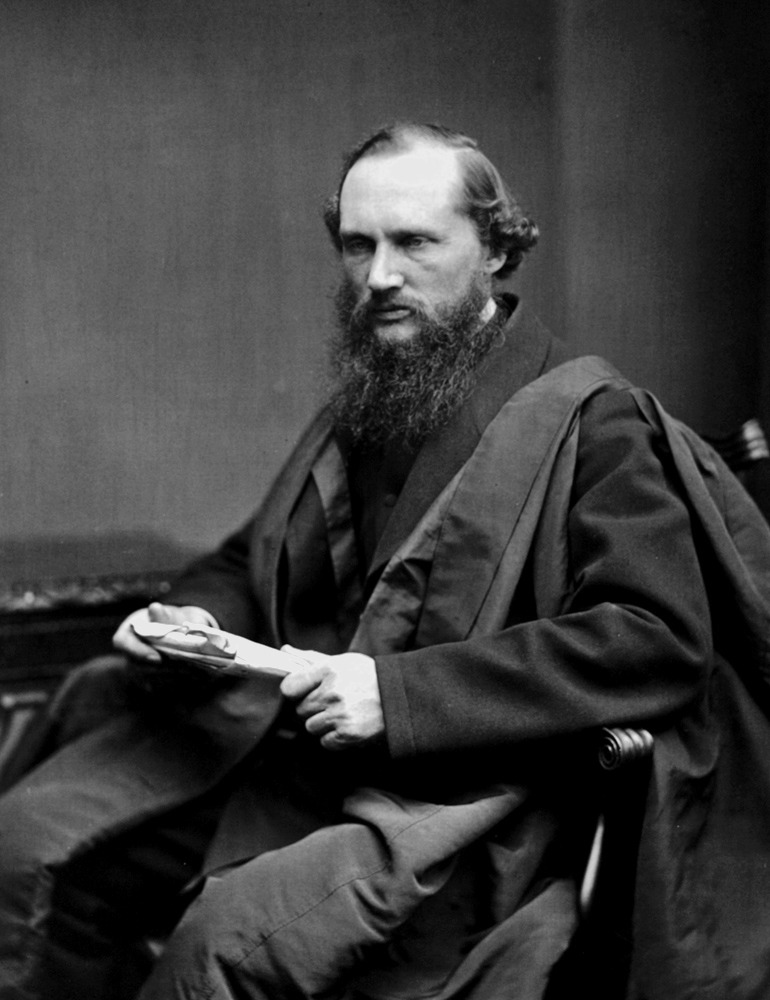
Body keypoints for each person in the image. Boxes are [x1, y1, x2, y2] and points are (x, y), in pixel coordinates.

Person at [1, 122, 770, 1000]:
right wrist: (193, 619)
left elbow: (658, 638)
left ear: (495, 249)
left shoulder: (594, 417)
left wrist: (397, 697)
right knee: (29, 849)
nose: (379, 277)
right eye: (357, 245)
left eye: (414, 242)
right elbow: (253, 557)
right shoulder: (375, 394)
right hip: (304, 763)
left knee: (222, 947)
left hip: (469, 801)